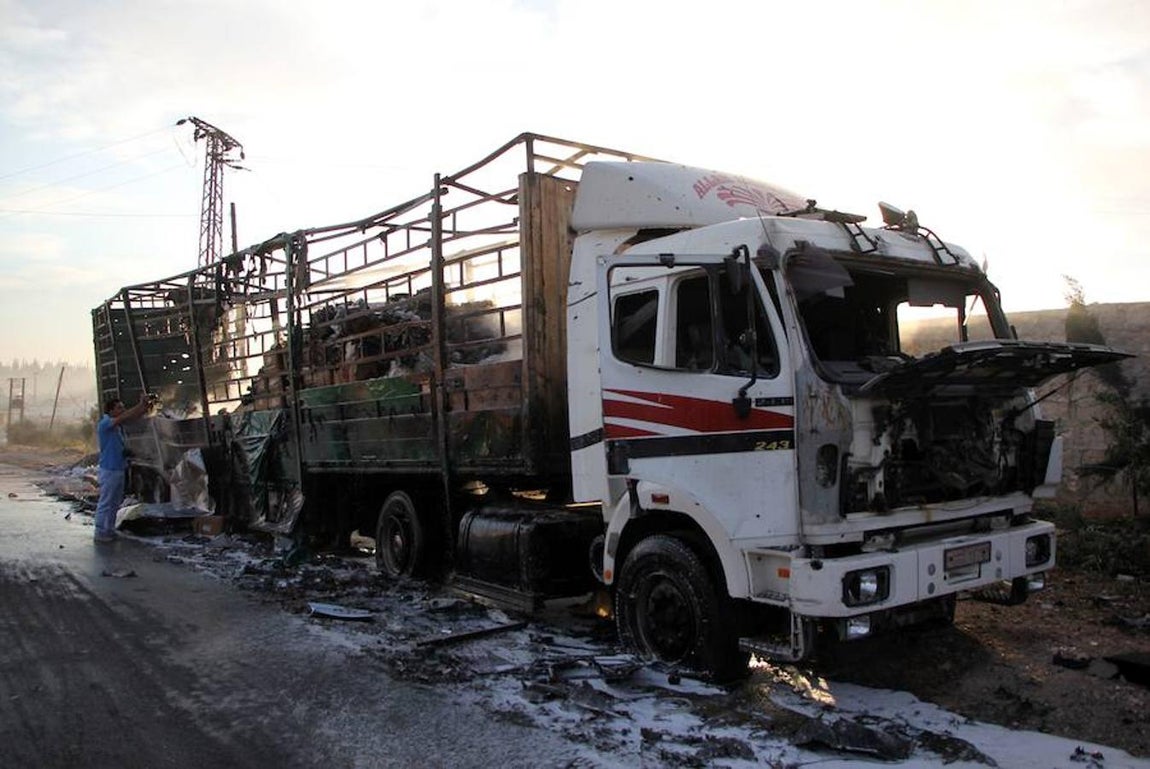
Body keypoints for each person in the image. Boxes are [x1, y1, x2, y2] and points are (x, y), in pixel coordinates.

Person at [94, 394, 154, 543]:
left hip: (118, 468)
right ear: (111, 410)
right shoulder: (106, 423)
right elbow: (125, 417)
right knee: (106, 502)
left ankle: (109, 530)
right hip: (109, 469)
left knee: (114, 502)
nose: (122, 410)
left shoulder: (117, 428)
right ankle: (101, 531)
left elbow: (131, 417)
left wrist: (144, 408)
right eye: (119, 407)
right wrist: (140, 405)